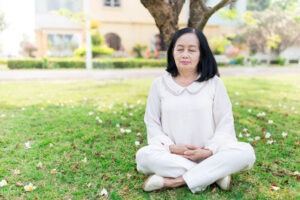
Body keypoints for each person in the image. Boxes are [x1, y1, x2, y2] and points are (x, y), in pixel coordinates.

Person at [135, 27, 256, 193]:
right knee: (143, 156)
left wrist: (209, 151)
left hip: (211, 153)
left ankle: (172, 182)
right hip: (173, 156)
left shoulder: (214, 83)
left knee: (246, 152)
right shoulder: (159, 84)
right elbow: (152, 123)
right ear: (172, 52)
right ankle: (215, 174)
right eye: (180, 49)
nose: (185, 54)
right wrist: (171, 147)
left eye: (192, 50)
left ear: (201, 54)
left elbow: (224, 124)